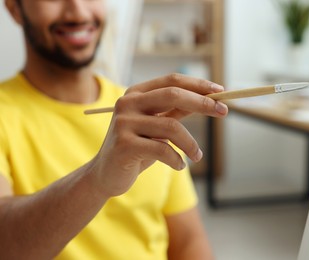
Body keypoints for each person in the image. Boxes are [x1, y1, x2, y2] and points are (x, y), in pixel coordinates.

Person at [0, 0, 228, 259]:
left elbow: (188, 241)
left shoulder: (144, 112)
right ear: (14, 8)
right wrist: (96, 180)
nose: (78, 12)